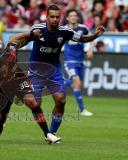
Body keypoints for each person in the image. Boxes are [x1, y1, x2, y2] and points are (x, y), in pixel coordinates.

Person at [9, 4, 105, 137]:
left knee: (61, 100)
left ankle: (51, 133)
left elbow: (83, 39)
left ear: (61, 17)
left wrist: (96, 35)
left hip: (55, 70)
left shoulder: (66, 32)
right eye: (52, 17)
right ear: (47, 17)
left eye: (57, 17)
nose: (55, 19)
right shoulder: (37, 29)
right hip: (36, 71)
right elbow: (20, 40)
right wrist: (17, 45)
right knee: (35, 104)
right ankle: (20, 95)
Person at [0, 43, 61, 144]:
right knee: (1, 114)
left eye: (4, 71)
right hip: (3, 90)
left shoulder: (11, 55)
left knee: (32, 102)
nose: (3, 74)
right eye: (0, 74)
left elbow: (13, 43)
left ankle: (48, 134)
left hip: (19, 80)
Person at [63, 9, 94, 116]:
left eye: (74, 15)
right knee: (76, 82)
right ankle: (82, 110)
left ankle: (60, 81)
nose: (73, 17)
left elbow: (91, 38)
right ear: (67, 18)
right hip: (69, 61)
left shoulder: (83, 28)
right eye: (71, 15)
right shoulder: (64, 29)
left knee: (77, 85)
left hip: (80, 61)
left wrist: (90, 49)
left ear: (77, 17)